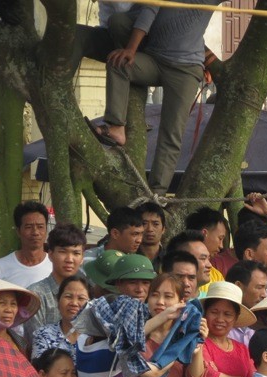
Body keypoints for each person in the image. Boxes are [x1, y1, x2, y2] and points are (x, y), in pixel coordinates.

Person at [95, 2, 220, 195]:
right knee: (118, 63)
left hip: (185, 71)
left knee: (171, 133)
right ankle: (116, 126)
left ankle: (156, 192)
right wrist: (131, 50)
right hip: (155, 60)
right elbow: (147, 14)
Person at [186, 282, 257, 377]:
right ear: (205, 313)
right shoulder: (198, 341)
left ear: (236, 318)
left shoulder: (242, 349)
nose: (220, 319)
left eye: (227, 314)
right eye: (214, 312)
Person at [137, 273, 205, 377]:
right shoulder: (137, 333)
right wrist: (164, 316)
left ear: (181, 302)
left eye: (168, 296)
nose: (160, 302)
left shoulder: (185, 334)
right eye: (155, 295)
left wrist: (198, 345)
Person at [24, 224, 86, 339]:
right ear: (50, 254)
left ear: (82, 258)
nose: (69, 259)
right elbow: (37, 341)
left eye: (76, 253)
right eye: (63, 252)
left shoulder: (88, 295)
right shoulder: (35, 294)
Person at [0, 201, 52, 287]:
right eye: (29, 227)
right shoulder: (0, 267)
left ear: (46, 230)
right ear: (18, 231)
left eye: (40, 227)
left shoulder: (55, 266)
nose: (35, 232)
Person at [31, 276, 90, 360]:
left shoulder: (97, 336)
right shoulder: (44, 334)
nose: (74, 303)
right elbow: (39, 369)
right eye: (68, 296)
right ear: (58, 301)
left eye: (81, 298)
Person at [185, 207, 234, 276]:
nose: (221, 246)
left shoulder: (216, 275)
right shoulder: (176, 268)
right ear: (204, 234)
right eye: (220, 238)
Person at [136, 201, 167, 267]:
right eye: (144, 223)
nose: (150, 229)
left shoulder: (172, 259)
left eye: (155, 224)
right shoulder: (128, 259)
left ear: (163, 229)